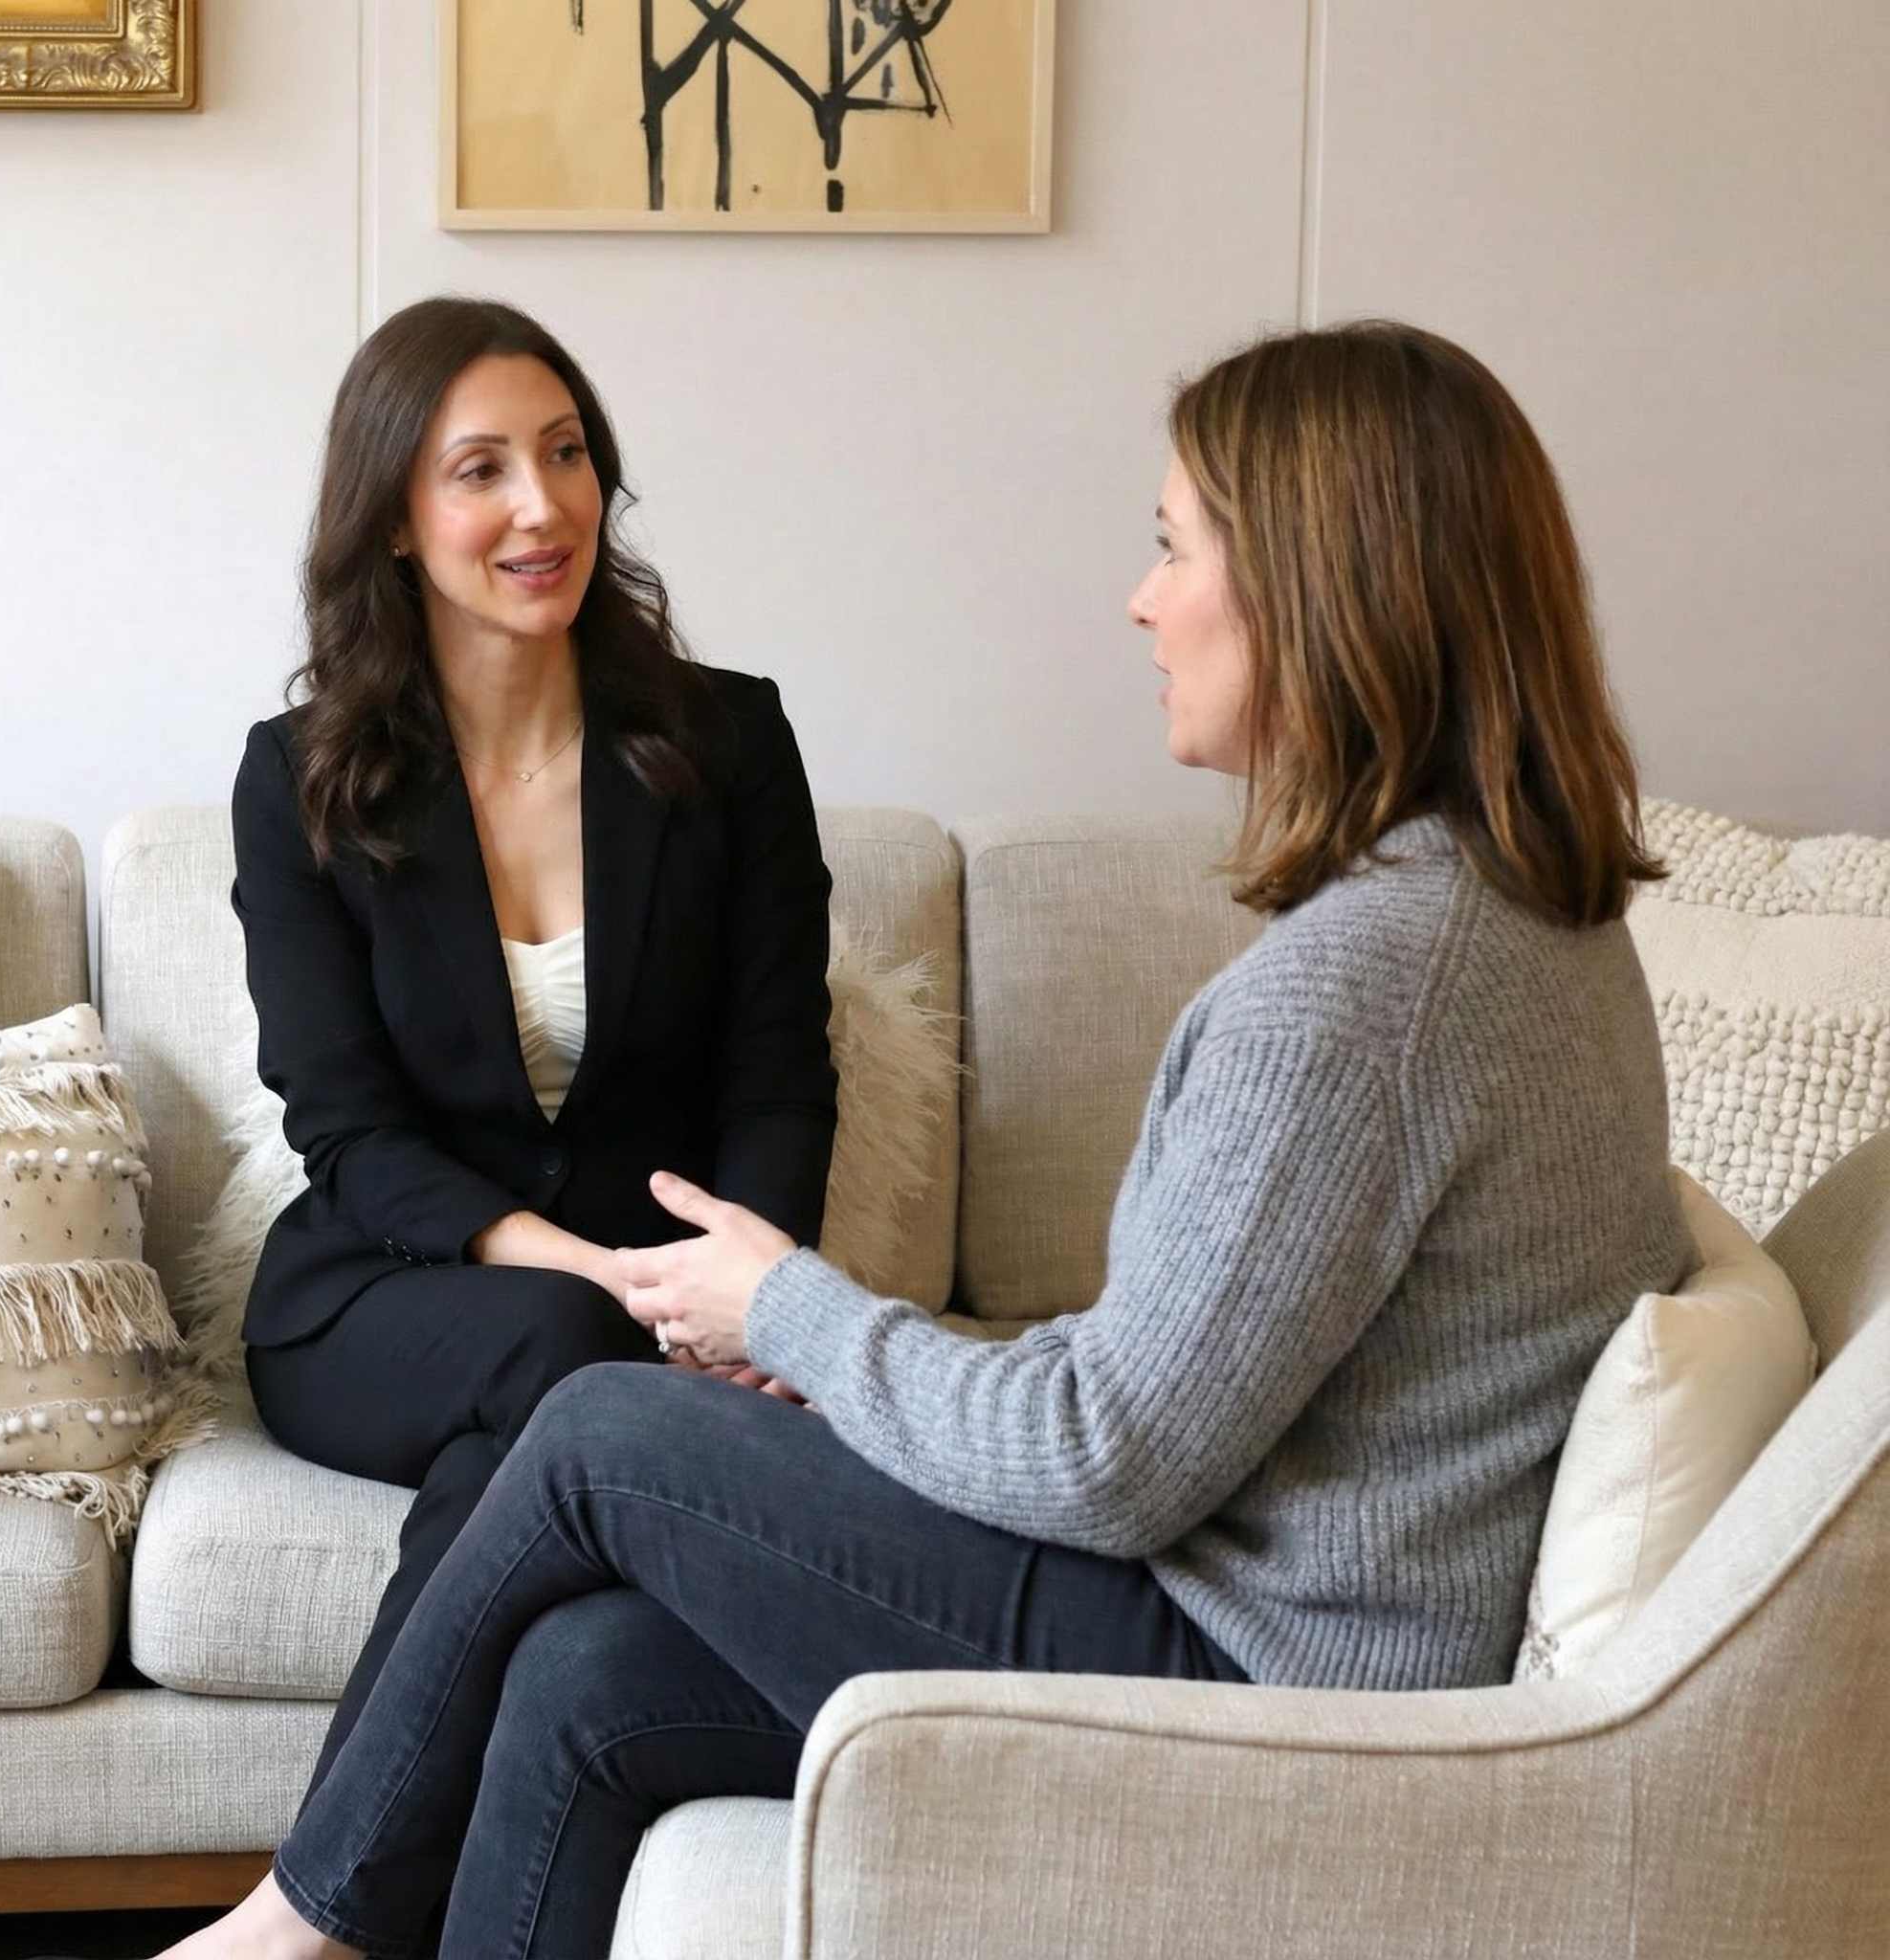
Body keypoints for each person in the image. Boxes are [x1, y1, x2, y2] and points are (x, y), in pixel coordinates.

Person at [150, 321, 1691, 1960]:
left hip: (1260, 1677)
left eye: (1174, 549)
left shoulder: (1360, 995)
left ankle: (296, 1926)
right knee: (586, 1677)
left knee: (603, 1427)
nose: (1141, 600)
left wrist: (792, 1313)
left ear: (1328, 592)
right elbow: (1160, 1410)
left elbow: (1104, 1454)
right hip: (1261, 1603)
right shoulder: (1498, 922)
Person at [229, 296, 839, 1784]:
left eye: (565, 455)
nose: (541, 505)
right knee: (567, 1347)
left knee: (525, 1442)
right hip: (385, 1300)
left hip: (644, 1311)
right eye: (482, 468)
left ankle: (331, 1906)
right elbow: (348, 1133)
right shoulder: (301, 780)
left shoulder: (728, 744)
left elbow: (778, 1073)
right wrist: (602, 1279)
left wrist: (751, 1297)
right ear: (391, 516)